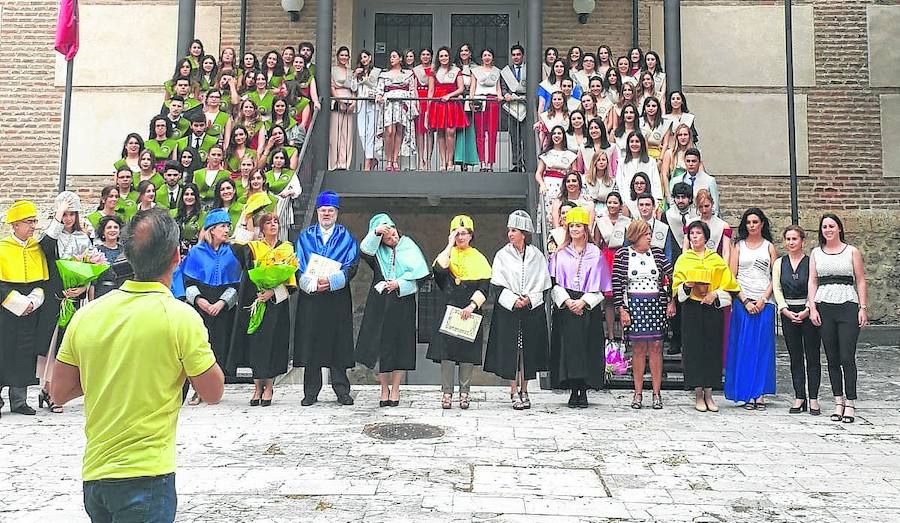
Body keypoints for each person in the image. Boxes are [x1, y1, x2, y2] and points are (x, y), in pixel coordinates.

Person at [51, 208, 224, 522]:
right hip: (148, 475)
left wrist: (105, 371)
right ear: (176, 256)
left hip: (96, 476)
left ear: (127, 255)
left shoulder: (87, 315)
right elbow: (212, 391)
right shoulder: (180, 317)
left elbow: (58, 392)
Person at [355, 213, 429, 407]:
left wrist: (400, 284)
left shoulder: (409, 246)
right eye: (387, 237)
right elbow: (365, 250)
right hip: (380, 304)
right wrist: (376, 232)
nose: (392, 237)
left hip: (403, 303)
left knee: (401, 347)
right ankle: (384, 388)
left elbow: (420, 278)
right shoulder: (377, 253)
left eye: (392, 232)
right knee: (382, 347)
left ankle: (396, 388)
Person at [293, 191, 359, 406]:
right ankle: (310, 392)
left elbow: (351, 265)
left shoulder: (346, 237)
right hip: (312, 297)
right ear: (318, 213)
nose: (327, 214)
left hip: (336, 297)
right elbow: (297, 264)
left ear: (336, 213)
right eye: (323, 211)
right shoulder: (306, 236)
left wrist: (331, 282)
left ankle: (341, 390)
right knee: (311, 342)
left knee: (337, 343)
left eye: (331, 211)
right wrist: (309, 283)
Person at [484, 211, 552, 410]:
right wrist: (514, 300)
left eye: (514, 230)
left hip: (531, 310)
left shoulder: (536, 255)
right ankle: (513, 390)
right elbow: (497, 284)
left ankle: (525, 389)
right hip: (509, 311)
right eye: (509, 230)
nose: (510, 234)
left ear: (524, 233)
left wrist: (530, 298)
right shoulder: (502, 255)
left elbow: (544, 283)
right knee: (511, 350)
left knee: (527, 351)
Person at [227, 212, 295, 407]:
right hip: (255, 301)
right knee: (256, 344)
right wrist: (248, 221)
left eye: (275, 222)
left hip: (276, 304)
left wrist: (272, 293)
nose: (273, 225)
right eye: (268, 222)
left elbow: (291, 280)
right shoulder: (254, 248)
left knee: (273, 344)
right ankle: (257, 387)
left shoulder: (286, 248)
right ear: (262, 227)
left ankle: (270, 387)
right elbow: (235, 246)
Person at [673, 220, 740, 413]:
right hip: (692, 308)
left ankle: (710, 393)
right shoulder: (684, 259)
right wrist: (687, 286)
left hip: (711, 307)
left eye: (698, 233)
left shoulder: (716, 259)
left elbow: (729, 284)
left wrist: (715, 294)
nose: (694, 237)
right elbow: (677, 288)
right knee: (694, 349)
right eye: (691, 233)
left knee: (712, 348)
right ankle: (698, 394)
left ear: (706, 237)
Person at [426, 215, 491, 410]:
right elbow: (438, 271)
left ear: (471, 235)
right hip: (448, 310)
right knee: (447, 354)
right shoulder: (448, 254)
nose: (460, 237)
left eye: (464, 233)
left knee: (466, 355)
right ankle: (447, 393)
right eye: (456, 234)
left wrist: (472, 306)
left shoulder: (479, 258)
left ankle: (465, 393)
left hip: (470, 311)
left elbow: (485, 286)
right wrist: (448, 245)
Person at [548, 207, 611, 408]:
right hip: (566, 305)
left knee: (587, 348)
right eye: (572, 226)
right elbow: (553, 283)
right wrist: (568, 302)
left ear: (585, 229)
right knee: (568, 348)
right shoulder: (559, 254)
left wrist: (583, 301)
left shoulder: (596, 253)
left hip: (588, 306)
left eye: (578, 226)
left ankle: (583, 390)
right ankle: (572, 388)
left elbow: (602, 286)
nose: (575, 229)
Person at [808, 213, 868, 424]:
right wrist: (812, 307)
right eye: (824, 227)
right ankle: (838, 401)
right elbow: (812, 281)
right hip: (824, 305)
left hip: (847, 305)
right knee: (831, 357)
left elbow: (860, 280)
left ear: (839, 228)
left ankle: (851, 402)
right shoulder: (816, 252)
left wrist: (862, 307)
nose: (828, 230)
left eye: (831, 226)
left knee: (846, 356)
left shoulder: (852, 251)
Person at [0, 201, 55, 419]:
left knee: (25, 356)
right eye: (29, 222)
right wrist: (17, 303)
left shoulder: (36, 248)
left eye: (34, 222)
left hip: (30, 312)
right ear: (15, 225)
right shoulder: (2, 248)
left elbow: (42, 281)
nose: (33, 226)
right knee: (3, 354)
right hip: (6, 312)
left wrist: (33, 301)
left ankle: (19, 401)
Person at [180, 209, 241, 404]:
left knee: (220, 347)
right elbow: (188, 281)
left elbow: (237, 283)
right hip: (201, 305)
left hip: (223, 308)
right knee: (199, 348)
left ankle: (215, 389)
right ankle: (198, 390)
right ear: (212, 230)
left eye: (228, 226)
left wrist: (222, 302)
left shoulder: (232, 252)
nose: (226, 230)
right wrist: (201, 302)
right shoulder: (196, 252)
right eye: (223, 226)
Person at [613, 220, 674, 410]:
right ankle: (637, 393)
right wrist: (622, 309)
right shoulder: (623, 254)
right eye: (646, 234)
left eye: (650, 234)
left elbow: (672, 275)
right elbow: (617, 284)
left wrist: (670, 300)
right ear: (636, 235)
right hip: (634, 304)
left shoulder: (656, 253)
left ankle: (656, 393)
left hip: (655, 303)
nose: (649, 237)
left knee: (656, 347)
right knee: (638, 348)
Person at [724, 208, 778, 409]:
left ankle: (760, 393)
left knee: (762, 348)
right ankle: (746, 392)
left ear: (762, 224)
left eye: (755, 222)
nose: (752, 225)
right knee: (744, 347)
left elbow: (775, 276)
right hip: (743, 301)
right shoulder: (739, 247)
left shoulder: (769, 247)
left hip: (764, 302)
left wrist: (764, 298)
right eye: (749, 222)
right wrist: (745, 300)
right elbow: (732, 276)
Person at [773, 225, 821, 415]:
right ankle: (799, 396)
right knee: (795, 356)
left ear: (802, 241)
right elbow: (776, 287)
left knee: (812, 356)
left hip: (808, 312)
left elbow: (815, 285)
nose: (791, 243)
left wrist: (808, 309)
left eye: (794, 239)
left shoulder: (810, 262)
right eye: (788, 239)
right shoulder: (779, 263)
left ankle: (814, 398)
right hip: (788, 312)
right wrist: (783, 308)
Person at [661, 182, 699, 355]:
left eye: (684, 197)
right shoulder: (667, 215)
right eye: (678, 197)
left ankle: (689, 338)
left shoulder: (696, 216)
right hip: (673, 260)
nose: (681, 200)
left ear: (690, 199)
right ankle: (675, 337)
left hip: (692, 262)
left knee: (691, 299)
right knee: (674, 300)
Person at [375, 50, 418, 171]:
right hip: (389, 106)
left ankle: (395, 160)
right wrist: (379, 97)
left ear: (400, 58)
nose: (391, 59)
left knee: (400, 130)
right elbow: (379, 90)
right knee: (389, 131)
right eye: (390, 57)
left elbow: (412, 90)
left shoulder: (408, 74)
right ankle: (388, 160)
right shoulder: (384, 74)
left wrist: (412, 103)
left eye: (394, 56)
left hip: (402, 105)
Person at [427, 46, 467, 171]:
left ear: (449, 56)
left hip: (451, 103)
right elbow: (431, 90)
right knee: (440, 132)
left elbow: (461, 88)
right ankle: (442, 162)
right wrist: (428, 109)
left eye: (446, 55)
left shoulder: (456, 71)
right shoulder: (433, 72)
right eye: (441, 56)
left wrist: (449, 96)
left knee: (450, 132)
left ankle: (450, 161)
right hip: (437, 104)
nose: (444, 58)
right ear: (438, 58)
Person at [535, 125, 577, 222]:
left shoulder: (570, 155)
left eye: (559, 133)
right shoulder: (545, 155)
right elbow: (538, 173)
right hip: (548, 187)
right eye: (554, 133)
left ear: (563, 136)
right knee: (548, 214)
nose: (556, 136)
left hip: (564, 186)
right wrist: (542, 185)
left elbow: (574, 173)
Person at [470, 48, 502, 172]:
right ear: (481, 57)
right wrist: (471, 101)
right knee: (480, 134)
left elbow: (498, 88)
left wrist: (499, 96)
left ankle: (491, 163)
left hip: (493, 100)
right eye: (485, 55)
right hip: (479, 100)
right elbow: (473, 87)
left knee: (492, 133)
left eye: (489, 55)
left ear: (492, 57)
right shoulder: (475, 71)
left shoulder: (496, 72)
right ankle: (482, 162)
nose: (487, 57)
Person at [501, 44, 528, 172]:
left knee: (526, 138)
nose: (516, 57)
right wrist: (506, 94)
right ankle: (517, 164)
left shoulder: (529, 69)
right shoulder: (507, 71)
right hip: (512, 108)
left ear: (522, 55)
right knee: (514, 138)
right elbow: (503, 87)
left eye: (518, 54)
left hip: (526, 107)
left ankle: (528, 164)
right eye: (514, 55)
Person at [330, 46, 357, 170]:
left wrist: (353, 102)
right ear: (337, 56)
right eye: (342, 55)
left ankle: (344, 163)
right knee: (335, 134)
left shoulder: (351, 72)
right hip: (337, 102)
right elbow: (332, 87)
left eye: (346, 55)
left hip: (349, 102)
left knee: (347, 134)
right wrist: (339, 100)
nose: (344, 57)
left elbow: (354, 88)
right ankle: (333, 163)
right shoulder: (332, 70)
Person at [669, 148, 719, 215]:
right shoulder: (676, 180)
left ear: (699, 162)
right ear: (684, 162)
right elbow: (672, 203)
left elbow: (715, 207)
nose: (691, 164)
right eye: (688, 161)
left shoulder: (709, 181)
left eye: (694, 161)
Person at [354, 50, 381, 171]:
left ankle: (367, 162)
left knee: (371, 133)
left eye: (365, 57)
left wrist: (366, 79)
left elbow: (376, 86)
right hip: (361, 104)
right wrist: (355, 75)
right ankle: (371, 158)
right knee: (362, 133)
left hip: (372, 104)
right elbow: (354, 88)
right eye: (361, 58)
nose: (363, 60)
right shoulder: (358, 72)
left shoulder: (376, 71)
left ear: (370, 58)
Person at [411, 47, 435, 169]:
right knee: (419, 132)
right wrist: (416, 101)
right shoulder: (416, 70)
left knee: (430, 131)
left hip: (432, 100)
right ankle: (420, 160)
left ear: (431, 56)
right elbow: (414, 87)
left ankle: (429, 160)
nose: (425, 56)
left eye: (428, 54)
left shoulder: (435, 69)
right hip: (419, 100)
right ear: (420, 56)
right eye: (423, 54)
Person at [93, 215, 126, 299]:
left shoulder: (126, 251)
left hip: (122, 293)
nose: (112, 230)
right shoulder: (96, 252)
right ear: (103, 232)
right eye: (109, 227)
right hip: (103, 293)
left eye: (115, 227)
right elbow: (92, 281)